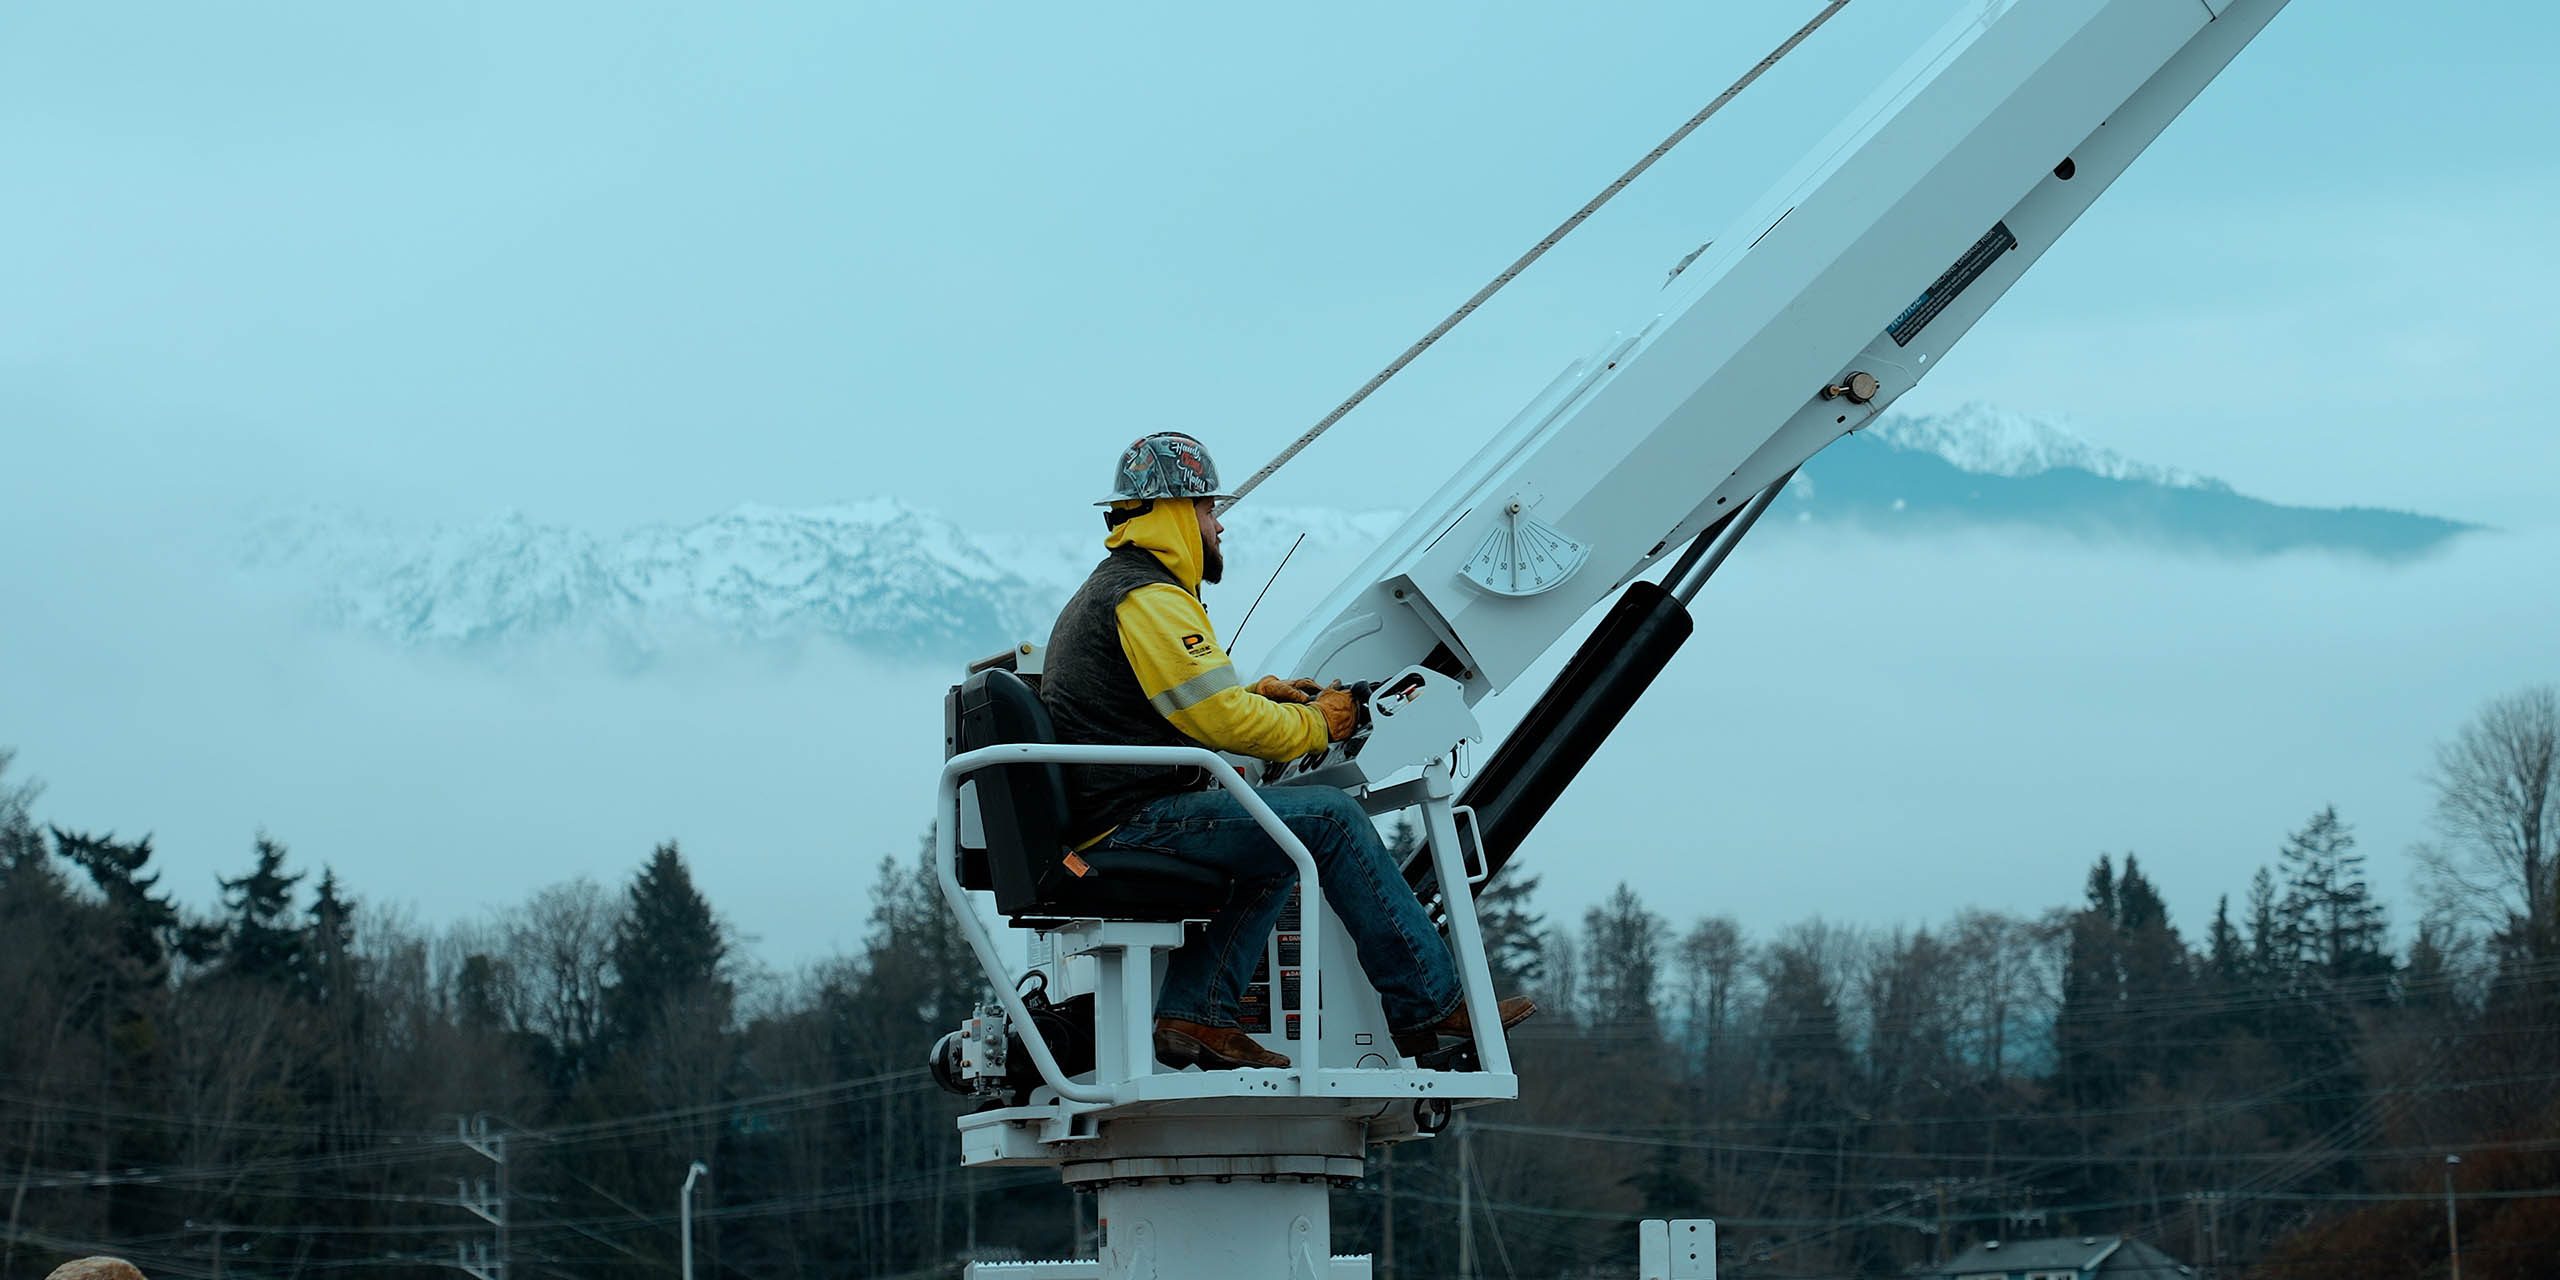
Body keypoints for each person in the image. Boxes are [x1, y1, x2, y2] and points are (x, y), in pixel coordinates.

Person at [1038, 431, 1533, 1070]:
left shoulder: (1119, 591)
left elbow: (1179, 705)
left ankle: (1196, 1014)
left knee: (1277, 847)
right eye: (1211, 510)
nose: (1220, 527)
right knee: (1330, 818)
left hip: (1110, 816)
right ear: (1176, 512)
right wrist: (1325, 721)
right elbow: (1220, 719)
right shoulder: (1150, 598)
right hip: (1127, 822)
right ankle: (1430, 1009)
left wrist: (1267, 697)